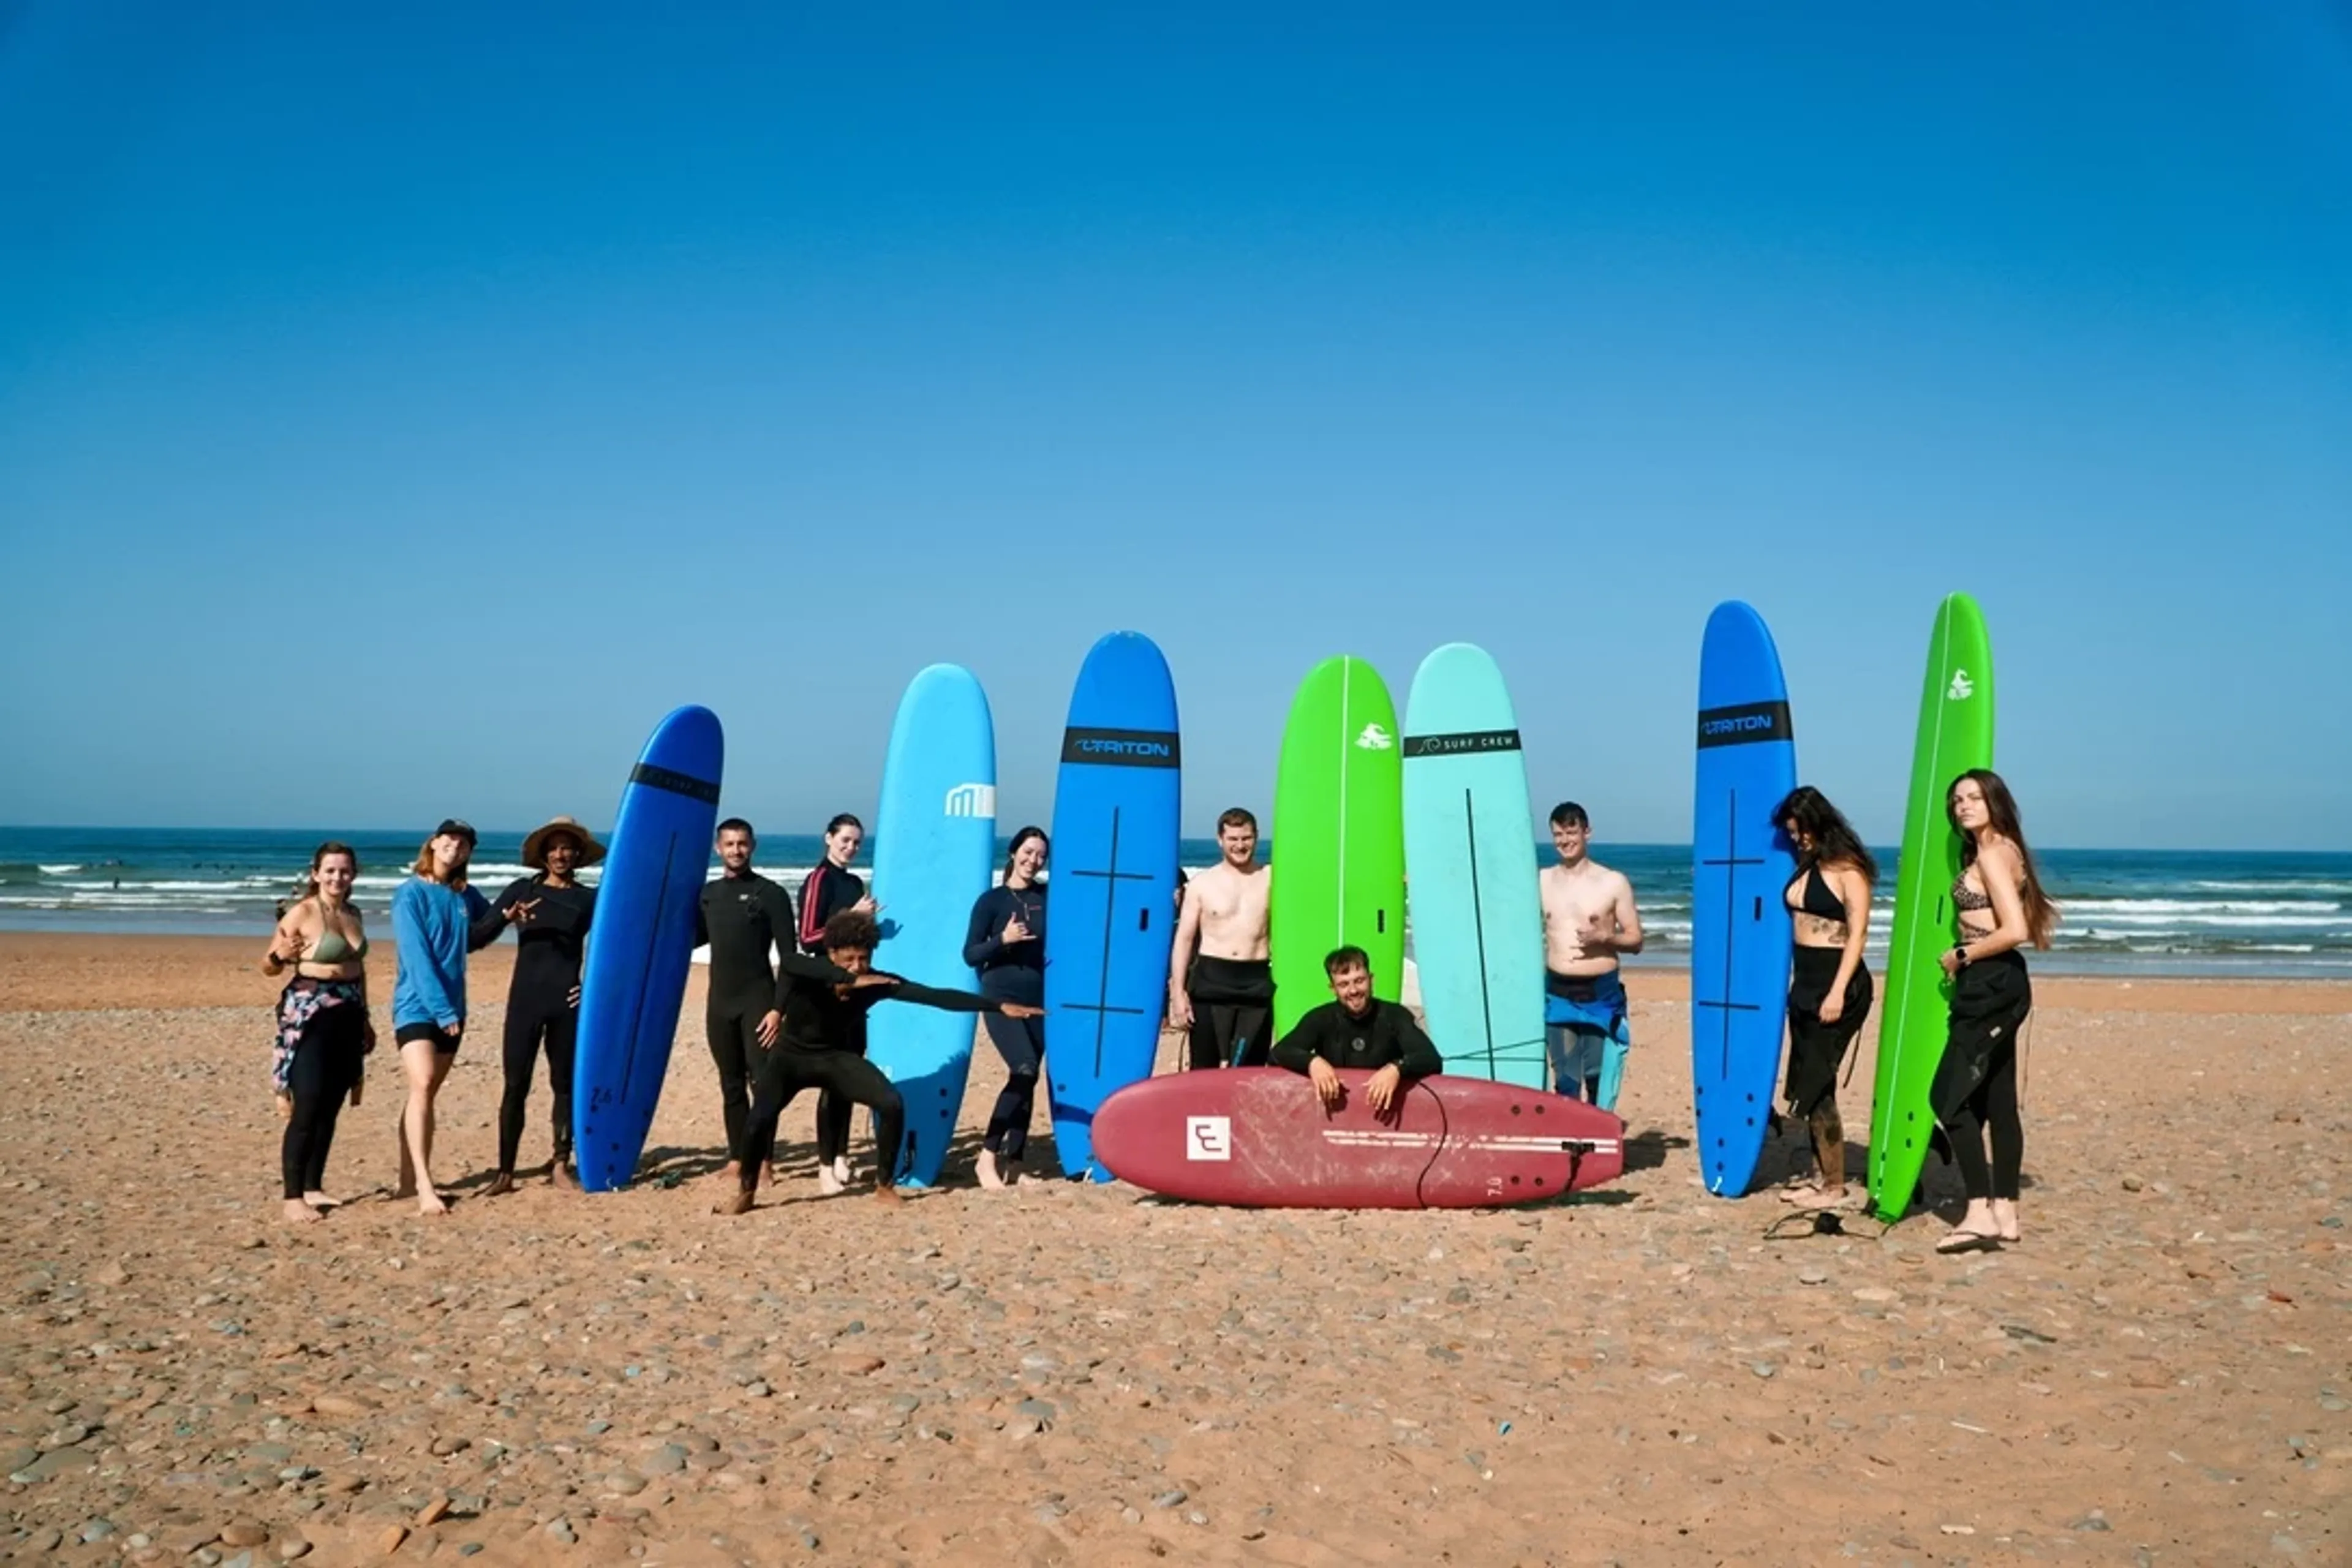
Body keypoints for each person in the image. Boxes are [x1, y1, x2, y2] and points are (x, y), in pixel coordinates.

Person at [714, 910, 1041, 1215]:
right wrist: (844, 978)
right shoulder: (811, 970)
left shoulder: (875, 982)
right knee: (758, 1120)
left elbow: (934, 996)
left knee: (891, 1102)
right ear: (832, 954)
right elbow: (788, 962)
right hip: (790, 1058)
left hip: (834, 1058)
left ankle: (884, 1186)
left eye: (864, 958)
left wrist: (996, 1007)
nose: (858, 966)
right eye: (849, 959)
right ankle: (746, 1192)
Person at [1931, 770, 2059, 1254]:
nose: (1963, 805)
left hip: (1990, 982)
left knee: (1947, 1098)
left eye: (1974, 798)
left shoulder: (1991, 854)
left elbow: (2015, 929)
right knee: (2000, 1100)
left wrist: (1961, 955)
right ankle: (2005, 1209)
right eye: (1957, 799)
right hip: (1999, 981)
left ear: (1995, 802)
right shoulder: (2005, 849)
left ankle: (1978, 1210)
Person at [389, 819, 524, 1216]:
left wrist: (509, 917)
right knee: (423, 1081)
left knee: (424, 1093)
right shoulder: (410, 894)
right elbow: (417, 957)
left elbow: (477, 937)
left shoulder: (465, 894)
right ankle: (425, 1187)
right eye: (450, 839)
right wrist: (441, 1009)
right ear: (434, 843)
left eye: (464, 844)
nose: (456, 846)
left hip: (453, 1008)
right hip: (417, 1006)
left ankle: (407, 1179)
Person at [483, 816, 602, 1196]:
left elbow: (613, 948)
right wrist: (505, 919)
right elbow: (475, 937)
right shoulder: (522, 891)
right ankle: (505, 1173)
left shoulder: (589, 899)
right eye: (553, 848)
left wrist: (591, 988)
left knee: (564, 1085)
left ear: (578, 854)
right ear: (543, 855)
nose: (560, 855)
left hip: (566, 1002)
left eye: (567, 848)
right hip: (525, 1002)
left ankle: (560, 1163)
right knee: (515, 1085)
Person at [1771, 787, 1877, 1210]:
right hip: (1805, 984)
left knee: (1818, 1084)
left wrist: (1837, 992)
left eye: (1801, 831)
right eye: (1792, 833)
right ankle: (1821, 1179)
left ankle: (1834, 1188)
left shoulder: (1848, 870)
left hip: (1839, 985)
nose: (1797, 839)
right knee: (1807, 1082)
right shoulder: (1806, 864)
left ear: (1819, 824)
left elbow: (1859, 934)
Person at [262, 842, 374, 1224]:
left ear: (353, 874)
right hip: (311, 1012)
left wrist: (366, 1018)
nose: (337, 877)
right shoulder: (303, 912)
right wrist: (280, 955)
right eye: (330, 871)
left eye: (344, 871)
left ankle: (313, 1186)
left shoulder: (354, 913)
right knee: (308, 1102)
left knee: (331, 1104)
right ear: (316, 874)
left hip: (348, 1012)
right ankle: (293, 1197)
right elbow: (268, 966)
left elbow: (360, 971)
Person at [695, 818, 797, 1187]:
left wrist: (778, 1009)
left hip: (759, 1001)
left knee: (763, 1083)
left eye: (742, 843)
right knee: (731, 1084)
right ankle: (737, 1158)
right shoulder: (708, 895)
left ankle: (764, 1160)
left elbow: (790, 958)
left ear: (753, 846)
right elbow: (687, 940)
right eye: (729, 844)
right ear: (717, 848)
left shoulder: (770, 894)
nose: (736, 850)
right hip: (719, 1004)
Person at [1539, 802, 1645, 1110]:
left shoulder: (1612, 882)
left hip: (1601, 994)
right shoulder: (1542, 880)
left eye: (1571, 832)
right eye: (1558, 834)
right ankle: (1570, 1137)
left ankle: (1598, 1136)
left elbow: (1636, 940)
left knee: (1599, 1079)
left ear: (1587, 832)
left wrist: (1605, 938)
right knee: (1565, 1080)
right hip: (1558, 992)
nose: (1565, 841)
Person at [797, 812, 880, 1192]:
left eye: (857, 842)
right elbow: (808, 938)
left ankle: (843, 1157)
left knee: (849, 1074)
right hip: (826, 989)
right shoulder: (819, 879)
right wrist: (852, 916)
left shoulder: (854, 882)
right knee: (832, 1079)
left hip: (854, 990)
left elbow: (855, 942)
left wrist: (869, 924)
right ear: (828, 838)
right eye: (845, 840)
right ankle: (825, 1166)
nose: (851, 847)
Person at [964, 827, 1047, 1189]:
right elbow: (970, 954)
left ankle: (1016, 1163)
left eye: (1041, 855)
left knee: (1029, 1078)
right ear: (1014, 853)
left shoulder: (1048, 896)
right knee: (1024, 1067)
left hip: (1039, 998)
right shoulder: (992, 901)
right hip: (1000, 996)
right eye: (1028, 852)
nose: (1033, 860)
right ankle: (987, 1158)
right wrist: (1003, 939)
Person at [1268, 946, 1442, 1114]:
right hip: (1338, 1114)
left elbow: (1430, 1059)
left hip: (1384, 1112)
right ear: (1333, 989)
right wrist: (1312, 1062)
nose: (1353, 991)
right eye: (1344, 984)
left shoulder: (1395, 1015)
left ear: (1371, 979)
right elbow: (1279, 1053)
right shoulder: (1321, 1018)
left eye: (1359, 981)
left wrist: (1397, 1069)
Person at [1167, 808, 1275, 1068]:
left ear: (1257, 837)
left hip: (1256, 983)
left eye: (1246, 838)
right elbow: (1184, 940)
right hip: (1211, 980)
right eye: (1233, 839)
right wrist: (1178, 992)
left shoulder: (1272, 878)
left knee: (1249, 1071)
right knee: (1204, 1069)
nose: (1240, 845)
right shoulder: (1202, 884)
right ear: (1220, 840)